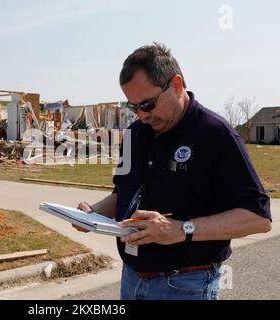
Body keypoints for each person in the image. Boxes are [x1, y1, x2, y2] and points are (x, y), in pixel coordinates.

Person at [74, 43, 272, 300]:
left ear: (176, 85)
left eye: (147, 104)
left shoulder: (216, 134)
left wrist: (181, 229)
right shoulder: (135, 134)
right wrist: (94, 214)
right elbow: (123, 193)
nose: (141, 115)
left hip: (185, 284)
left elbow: (259, 218)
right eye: (132, 106)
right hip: (132, 277)